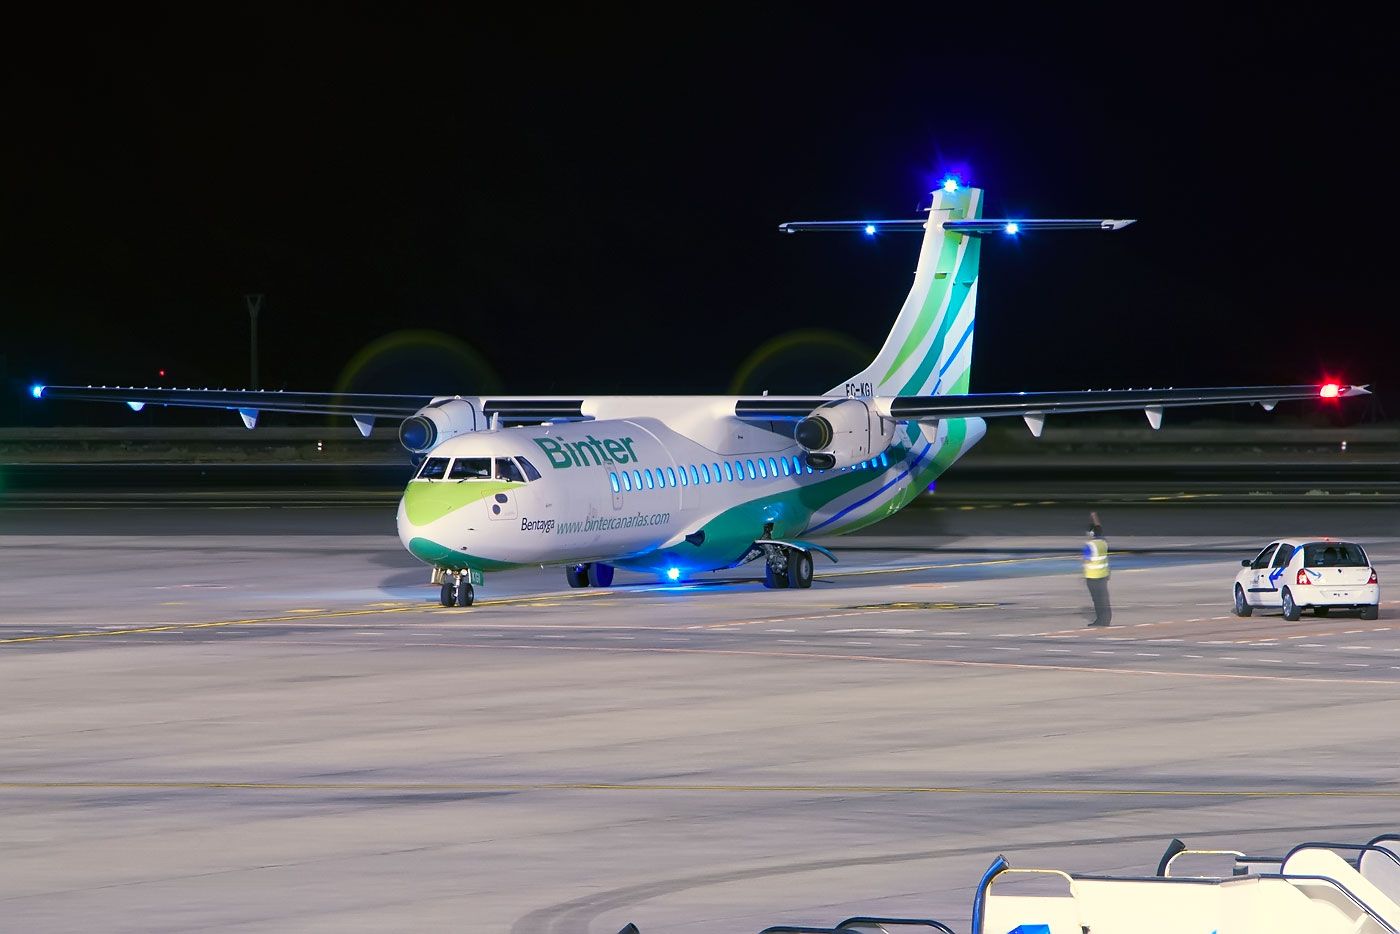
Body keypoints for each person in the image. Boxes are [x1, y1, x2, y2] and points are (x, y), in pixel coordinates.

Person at [1083, 511, 1111, 627]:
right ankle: (1106, 619)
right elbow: (1099, 528)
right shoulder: (1103, 542)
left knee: (1098, 600)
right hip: (1103, 575)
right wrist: (1094, 517)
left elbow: (1087, 559)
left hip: (1093, 577)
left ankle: (1100, 621)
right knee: (1104, 599)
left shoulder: (1090, 545)